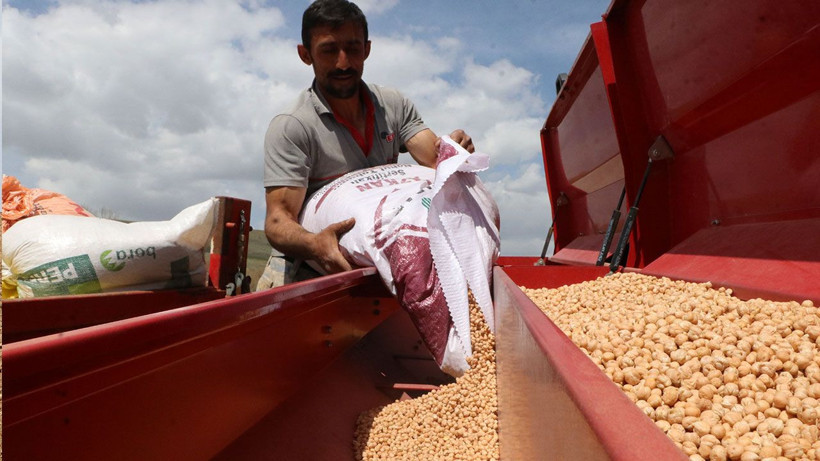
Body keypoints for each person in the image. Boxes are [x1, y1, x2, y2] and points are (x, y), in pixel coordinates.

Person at [257, 0, 475, 290]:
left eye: (353, 48)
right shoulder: (292, 126)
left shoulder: (393, 105)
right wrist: (315, 245)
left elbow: (434, 157)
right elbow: (278, 220)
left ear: (367, 49)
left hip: (376, 265)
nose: (343, 63)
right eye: (329, 50)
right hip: (306, 268)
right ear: (305, 55)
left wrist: (453, 150)